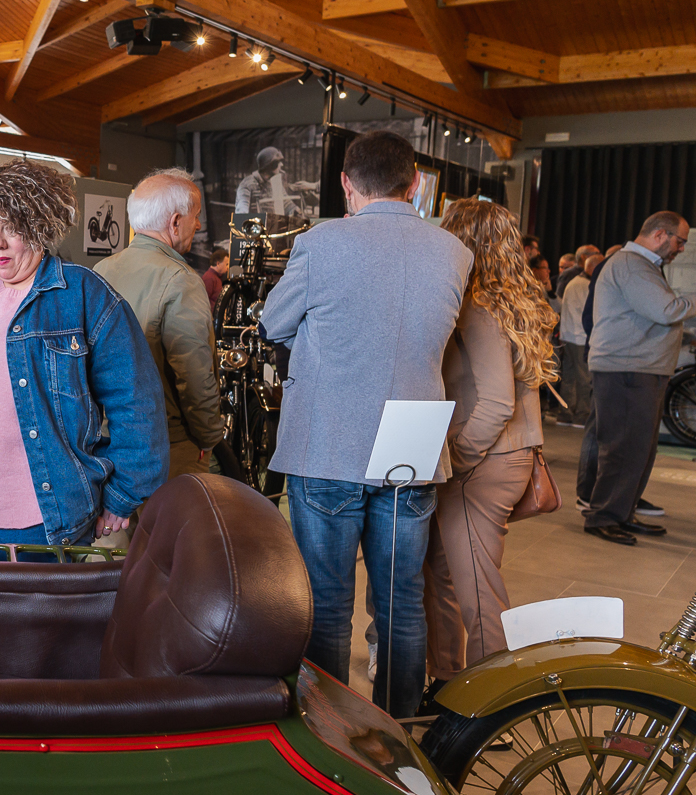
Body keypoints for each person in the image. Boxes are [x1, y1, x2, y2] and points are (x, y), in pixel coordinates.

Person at [259, 130, 473, 718]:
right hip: (414, 434)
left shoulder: (321, 243)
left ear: (347, 185)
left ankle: (330, 731)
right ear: (415, 184)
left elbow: (273, 323)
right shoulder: (454, 251)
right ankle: (399, 728)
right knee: (402, 600)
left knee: (327, 601)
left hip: (332, 437)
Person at [0, 160, 166, 559]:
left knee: (38, 622)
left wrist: (123, 495)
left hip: (43, 524)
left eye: (13, 228)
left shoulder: (83, 294)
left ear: (41, 227)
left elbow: (136, 401)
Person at [423, 200, 555, 681]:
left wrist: (454, 457)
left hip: (483, 460)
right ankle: (443, 684)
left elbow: (497, 402)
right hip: (502, 455)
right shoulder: (511, 297)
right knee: (441, 576)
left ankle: (489, 704)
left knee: (478, 589)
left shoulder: (479, 305)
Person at [577, 212, 696, 544]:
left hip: (638, 369)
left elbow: (653, 315)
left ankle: (620, 512)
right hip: (626, 369)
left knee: (638, 449)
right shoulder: (632, 264)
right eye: (680, 241)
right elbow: (666, 310)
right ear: (660, 234)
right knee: (622, 448)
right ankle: (602, 517)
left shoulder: (641, 266)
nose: (681, 249)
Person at [95, 168, 226, 478]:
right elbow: (194, 377)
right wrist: (210, 439)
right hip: (168, 446)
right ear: (175, 222)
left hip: (109, 440)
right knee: (173, 528)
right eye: (195, 216)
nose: (199, 224)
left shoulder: (100, 270)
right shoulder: (181, 280)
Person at [557, 252, 600, 427]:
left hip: (567, 335)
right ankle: (582, 415)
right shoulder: (587, 286)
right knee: (584, 378)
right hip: (581, 337)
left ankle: (565, 414)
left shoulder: (573, 283)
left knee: (568, 377)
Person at [233, 147, 318, 225]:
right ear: (271, 164)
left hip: (275, 228)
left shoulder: (275, 182)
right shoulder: (247, 184)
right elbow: (241, 212)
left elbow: (286, 203)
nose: (282, 165)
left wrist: (296, 210)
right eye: (279, 162)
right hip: (256, 230)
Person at [202, 243, 230, 308]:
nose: (228, 267)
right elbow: (203, 302)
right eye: (226, 264)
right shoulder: (209, 278)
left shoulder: (216, 277)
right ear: (218, 264)